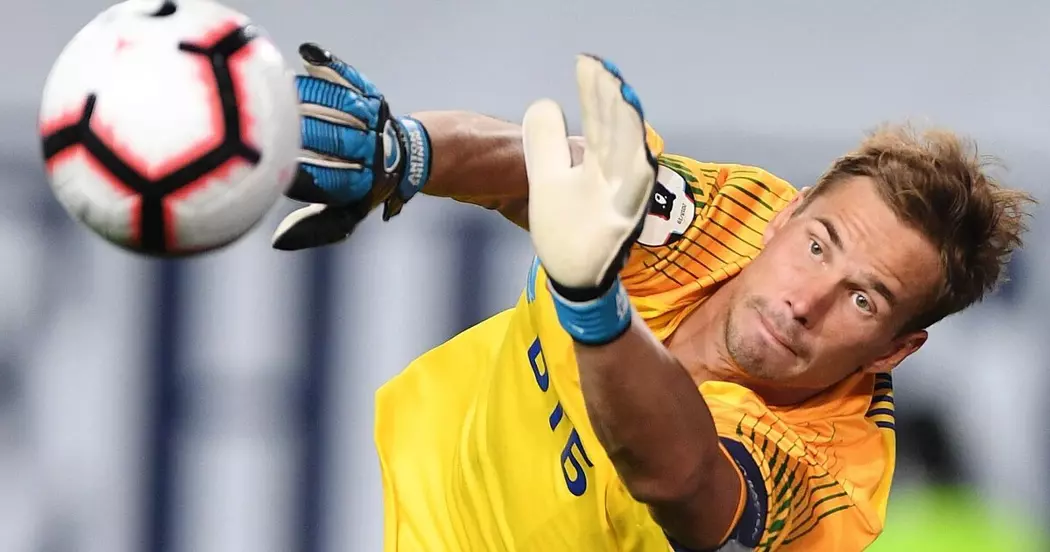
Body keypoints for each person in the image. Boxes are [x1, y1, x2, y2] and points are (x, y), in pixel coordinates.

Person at [273, 43, 1035, 551]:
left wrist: (592, 302)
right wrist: (408, 153)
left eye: (863, 300)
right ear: (788, 215)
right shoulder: (726, 214)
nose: (807, 300)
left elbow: (680, 479)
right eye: (817, 244)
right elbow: (552, 170)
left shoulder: (832, 470)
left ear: (894, 350)